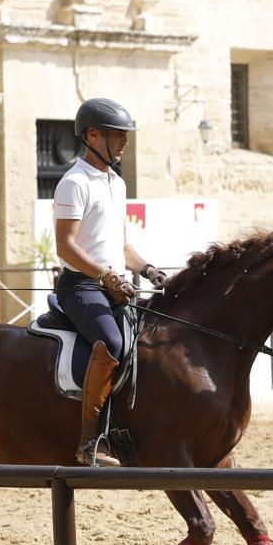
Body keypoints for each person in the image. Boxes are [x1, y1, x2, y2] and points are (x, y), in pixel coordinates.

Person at [53, 97, 167, 467]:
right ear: (91, 135)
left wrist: (149, 270)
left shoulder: (116, 183)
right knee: (112, 341)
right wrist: (105, 276)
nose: (124, 142)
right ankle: (90, 441)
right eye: (117, 134)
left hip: (114, 285)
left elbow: (122, 246)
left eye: (126, 135)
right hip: (81, 288)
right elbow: (66, 247)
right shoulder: (74, 182)